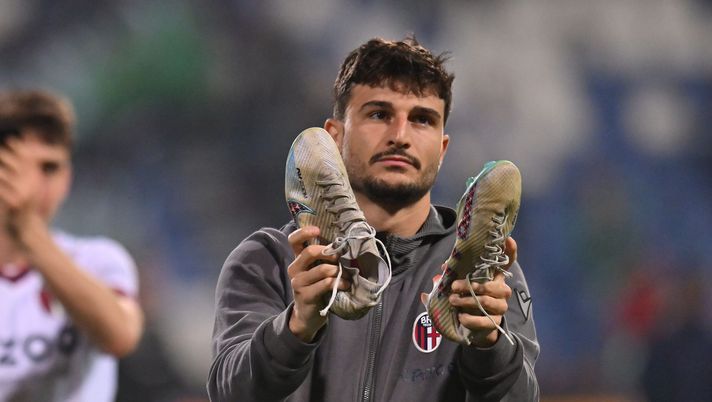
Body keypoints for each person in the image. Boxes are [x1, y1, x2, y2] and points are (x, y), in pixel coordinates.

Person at [208, 37, 539, 401]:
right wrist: (297, 326)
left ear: (442, 149)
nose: (400, 136)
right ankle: (351, 249)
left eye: (422, 120)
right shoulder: (268, 260)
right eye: (379, 114)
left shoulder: (485, 280)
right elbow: (229, 393)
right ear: (335, 136)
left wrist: (489, 344)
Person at [0, 89, 143, 401]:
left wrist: (26, 229)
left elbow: (120, 335)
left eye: (51, 169)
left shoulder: (98, 260)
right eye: (24, 169)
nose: (37, 187)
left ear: (68, 177)